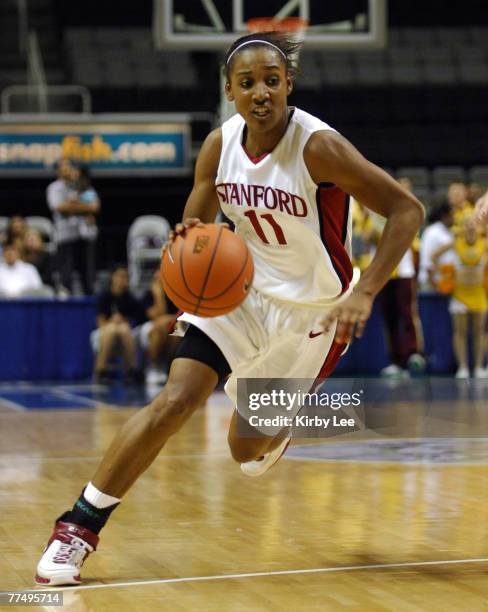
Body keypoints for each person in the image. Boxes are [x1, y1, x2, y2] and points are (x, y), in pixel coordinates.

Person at [35, 31, 424, 586]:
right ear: (230, 91)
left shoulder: (318, 147)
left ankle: (282, 426)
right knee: (176, 400)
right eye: (247, 83)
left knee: (246, 451)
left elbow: (406, 210)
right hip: (238, 293)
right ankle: (77, 528)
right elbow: (198, 212)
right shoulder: (220, 144)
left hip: (311, 314)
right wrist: (189, 258)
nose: (260, 92)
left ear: (289, 84)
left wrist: (364, 293)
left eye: (272, 80)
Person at [432, 214, 488, 378]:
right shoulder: (455, 243)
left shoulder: (484, 244)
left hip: (479, 293)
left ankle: (478, 367)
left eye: (473, 224)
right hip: (460, 294)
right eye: (467, 224)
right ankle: (462, 367)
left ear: (479, 227)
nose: (470, 227)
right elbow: (433, 256)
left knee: (479, 331)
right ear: (462, 228)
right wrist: (444, 276)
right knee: (460, 332)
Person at [46, 159, 100, 295]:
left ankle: (90, 304)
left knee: (87, 275)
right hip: (65, 236)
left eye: (68, 167)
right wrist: (84, 209)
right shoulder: (54, 188)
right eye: (63, 168)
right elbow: (59, 207)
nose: (67, 170)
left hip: (85, 234)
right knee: (66, 275)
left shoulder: (83, 185)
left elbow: (95, 206)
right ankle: (65, 308)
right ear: (58, 171)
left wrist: (73, 206)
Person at [91, 265, 145, 384]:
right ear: (113, 277)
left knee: (123, 329)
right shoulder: (104, 296)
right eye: (120, 276)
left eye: (125, 276)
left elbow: (134, 322)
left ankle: (131, 371)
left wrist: (122, 321)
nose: (123, 279)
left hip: (125, 331)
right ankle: (101, 370)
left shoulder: (130, 298)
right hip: (106, 329)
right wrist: (113, 322)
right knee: (112, 330)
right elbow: (100, 322)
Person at [139, 270, 178, 385]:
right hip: (148, 327)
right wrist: (158, 295)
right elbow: (157, 316)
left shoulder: (174, 294)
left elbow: (180, 316)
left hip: (169, 325)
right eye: (157, 280)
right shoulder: (148, 294)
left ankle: (168, 367)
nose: (160, 282)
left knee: (178, 331)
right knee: (159, 329)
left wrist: (167, 320)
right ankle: (153, 367)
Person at [418, 203, 455, 291]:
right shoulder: (432, 232)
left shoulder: (448, 232)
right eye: (453, 215)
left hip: (444, 281)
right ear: (445, 216)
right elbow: (426, 259)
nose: (455, 218)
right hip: (431, 282)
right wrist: (433, 283)